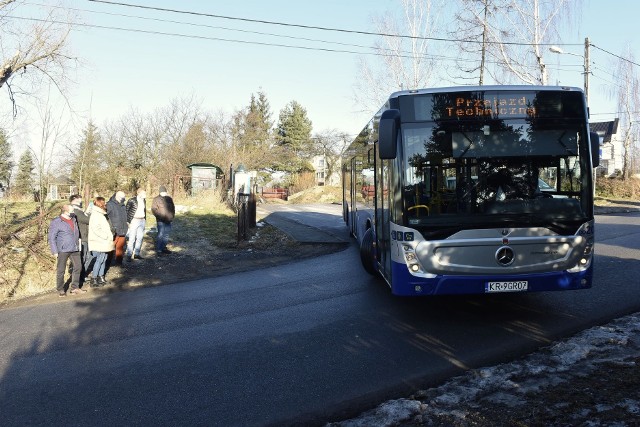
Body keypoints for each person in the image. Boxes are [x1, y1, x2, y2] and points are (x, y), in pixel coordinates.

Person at [48, 204, 86, 296]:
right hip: (63, 249)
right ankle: (60, 289)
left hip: (75, 247)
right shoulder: (57, 222)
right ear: (66, 211)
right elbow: (51, 237)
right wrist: (55, 251)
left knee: (78, 267)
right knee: (61, 270)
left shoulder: (73, 219)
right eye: (72, 210)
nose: (74, 212)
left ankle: (75, 288)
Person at [88, 197, 115, 287]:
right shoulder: (96, 214)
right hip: (100, 241)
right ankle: (94, 278)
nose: (106, 204)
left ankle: (101, 277)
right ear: (100, 204)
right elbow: (96, 229)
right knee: (99, 260)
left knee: (104, 259)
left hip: (104, 241)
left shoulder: (101, 214)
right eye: (104, 203)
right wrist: (105, 236)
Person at [69, 194, 93, 286]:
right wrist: (90, 213)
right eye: (79, 200)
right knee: (85, 257)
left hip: (84, 236)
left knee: (86, 256)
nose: (81, 202)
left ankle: (82, 276)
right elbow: (87, 220)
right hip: (83, 237)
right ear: (74, 200)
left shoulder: (78, 211)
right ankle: (81, 276)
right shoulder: (77, 211)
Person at [152, 185, 176, 255]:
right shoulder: (156, 199)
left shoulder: (169, 199)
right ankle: (159, 250)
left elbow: (173, 208)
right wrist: (160, 217)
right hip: (161, 221)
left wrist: (172, 216)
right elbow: (154, 210)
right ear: (160, 192)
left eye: (165, 192)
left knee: (166, 235)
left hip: (168, 220)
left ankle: (163, 248)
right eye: (163, 192)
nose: (165, 193)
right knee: (160, 235)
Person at [107, 190, 128, 265]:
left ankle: (119, 262)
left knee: (120, 247)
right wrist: (111, 227)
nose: (124, 199)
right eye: (123, 197)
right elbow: (106, 216)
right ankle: (107, 263)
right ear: (117, 196)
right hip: (114, 230)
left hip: (123, 228)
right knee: (110, 247)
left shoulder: (123, 205)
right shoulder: (110, 204)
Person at [125, 187, 147, 261]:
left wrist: (145, 219)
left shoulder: (144, 200)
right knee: (132, 238)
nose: (145, 194)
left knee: (140, 238)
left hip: (142, 220)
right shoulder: (132, 200)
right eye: (144, 193)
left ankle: (137, 254)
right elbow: (126, 211)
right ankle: (129, 255)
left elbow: (144, 210)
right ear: (139, 193)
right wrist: (128, 222)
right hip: (134, 220)